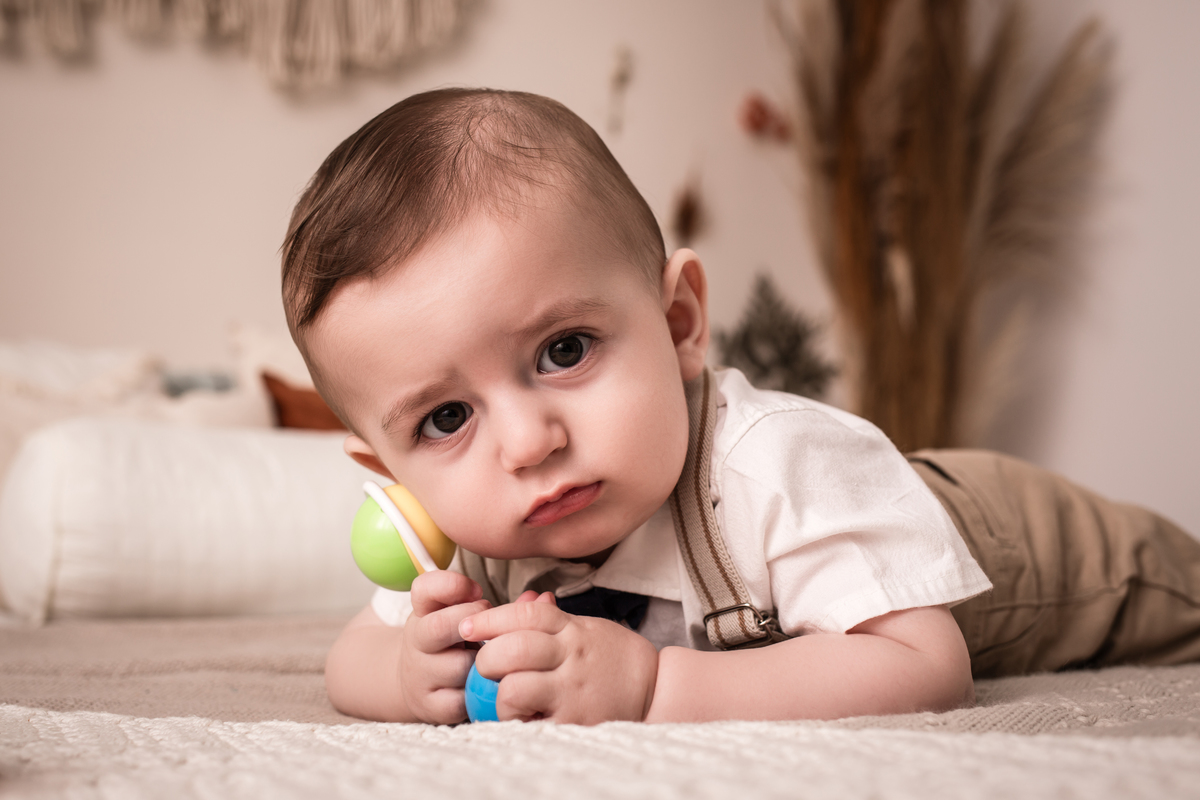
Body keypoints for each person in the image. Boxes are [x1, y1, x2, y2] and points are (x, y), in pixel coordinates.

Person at [281, 88, 1200, 725]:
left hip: (1044, 553)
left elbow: (925, 664)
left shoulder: (773, 465)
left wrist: (654, 690)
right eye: (446, 421)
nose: (527, 443)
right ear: (388, 474)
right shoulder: (464, 542)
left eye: (564, 352)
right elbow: (350, 657)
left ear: (679, 322)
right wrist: (412, 675)